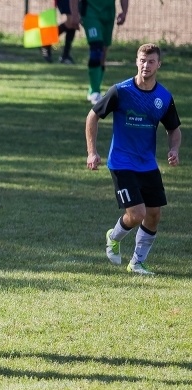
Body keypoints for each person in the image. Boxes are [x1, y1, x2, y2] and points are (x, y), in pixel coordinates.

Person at [86, 43, 181, 276]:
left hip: (147, 164)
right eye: (141, 60)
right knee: (137, 214)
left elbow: (174, 129)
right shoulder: (121, 91)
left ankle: (137, 262)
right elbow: (92, 117)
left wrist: (174, 149)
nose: (145, 65)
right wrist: (92, 151)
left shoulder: (163, 97)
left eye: (150, 61)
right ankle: (114, 236)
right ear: (136, 61)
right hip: (121, 162)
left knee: (154, 215)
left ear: (159, 64)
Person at [80, 0, 129, 104]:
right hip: (90, 12)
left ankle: (94, 87)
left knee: (102, 53)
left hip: (108, 14)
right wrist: (75, 13)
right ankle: (94, 91)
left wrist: (124, 12)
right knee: (96, 49)